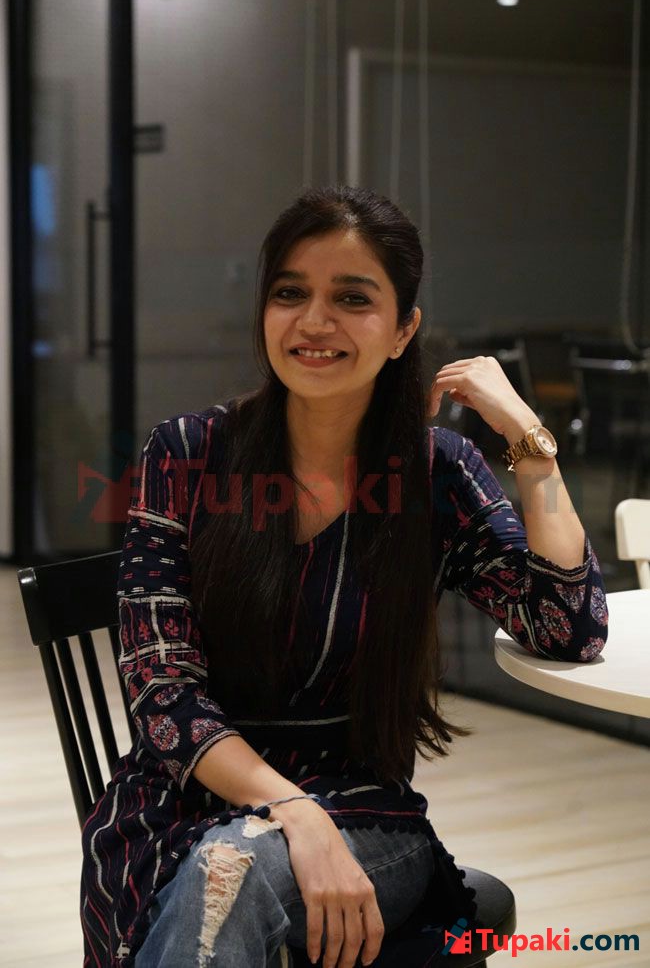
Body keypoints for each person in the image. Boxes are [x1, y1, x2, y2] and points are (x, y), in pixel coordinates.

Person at [80, 185, 608, 968]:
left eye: (352, 298)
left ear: (403, 331)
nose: (314, 321)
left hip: (363, 814)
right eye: (290, 293)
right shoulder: (186, 454)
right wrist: (291, 809)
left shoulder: (436, 472)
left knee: (232, 869)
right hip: (178, 803)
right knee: (224, 868)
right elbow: (162, 692)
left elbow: (569, 627)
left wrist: (531, 442)